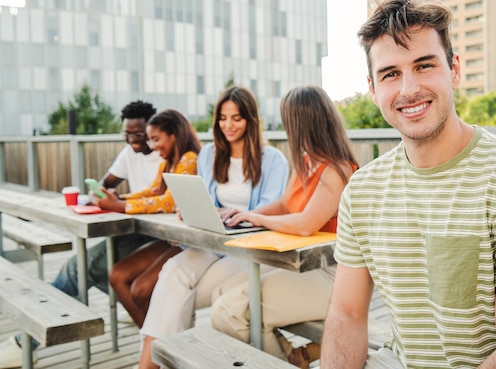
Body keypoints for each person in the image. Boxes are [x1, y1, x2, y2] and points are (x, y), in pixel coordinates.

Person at [321, 0, 496, 369]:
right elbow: (346, 312)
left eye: (424, 66)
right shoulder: (362, 191)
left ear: (454, 69)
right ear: (373, 88)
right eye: (390, 73)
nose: (409, 89)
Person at [0, 100, 162, 369]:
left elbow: (160, 198)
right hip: (130, 231)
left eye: (139, 134)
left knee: (78, 270)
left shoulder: (167, 152)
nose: (132, 139)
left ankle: (24, 344)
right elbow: (105, 184)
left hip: (152, 236)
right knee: (85, 268)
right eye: (127, 134)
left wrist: (120, 202)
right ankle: (127, 302)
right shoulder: (129, 152)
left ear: (154, 129)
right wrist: (99, 195)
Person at [136, 86, 289, 369]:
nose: (228, 125)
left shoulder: (273, 160)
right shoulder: (208, 154)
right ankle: (152, 364)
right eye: (222, 118)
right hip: (212, 240)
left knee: (178, 293)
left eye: (237, 118)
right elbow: (205, 198)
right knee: (173, 271)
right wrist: (192, 210)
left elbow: (271, 208)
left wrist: (239, 214)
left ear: (250, 121)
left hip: (245, 247)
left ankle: (153, 365)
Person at [209, 84, 359, 362]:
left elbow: (305, 223)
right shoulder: (306, 161)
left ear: (302, 124)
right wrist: (241, 214)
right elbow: (284, 205)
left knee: (228, 311)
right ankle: (290, 357)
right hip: (300, 267)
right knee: (221, 292)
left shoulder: (337, 170)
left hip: (331, 277)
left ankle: (284, 359)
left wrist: (256, 217)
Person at [97, 108, 202, 327]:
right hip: (169, 239)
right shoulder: (168, 162)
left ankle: (161, 344)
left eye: (156, 139)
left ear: (175, 134)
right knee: (117, 275)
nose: (152, 146)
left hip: (188, 243)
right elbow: (153, 191)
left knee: (140, 289)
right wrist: (121, 198)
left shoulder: (189, 160)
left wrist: (120, 206)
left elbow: (168, 202)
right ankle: (155, 344)